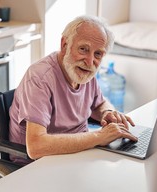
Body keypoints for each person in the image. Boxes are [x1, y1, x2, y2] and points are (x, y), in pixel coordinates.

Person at [8, 15, 138, 164]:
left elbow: (99, 103)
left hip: (78, 154)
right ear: (64, 45)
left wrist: (107, 112)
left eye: (98, 54)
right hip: (39, 163)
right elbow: (36, 146)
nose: (90, 62)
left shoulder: (85, 73)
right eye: (83, 49)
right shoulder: (40, 78)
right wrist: (98, 137)